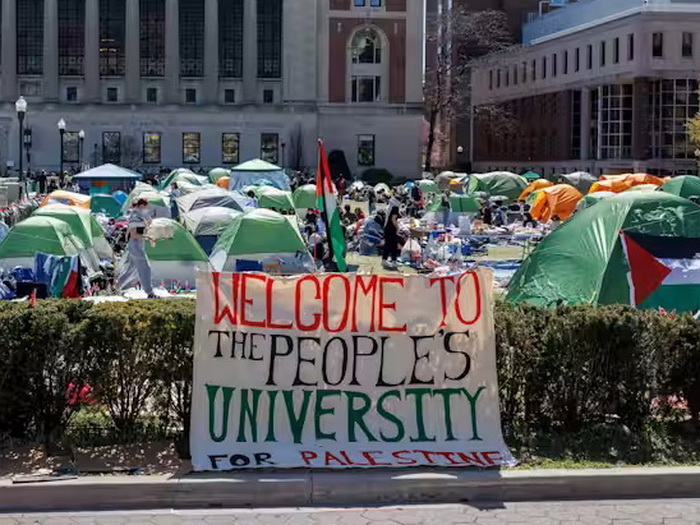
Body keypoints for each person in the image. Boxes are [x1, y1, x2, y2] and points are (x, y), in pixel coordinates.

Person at [118, 198, 156, 298]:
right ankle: (149, 292)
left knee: (130, 269)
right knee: (145, 268)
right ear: (141, 206)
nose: (147, 209)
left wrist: (148, 221)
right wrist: (149, 237)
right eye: (146, 207)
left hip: (137, 244)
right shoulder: (135, 217)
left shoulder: (139, 217)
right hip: (136, 245)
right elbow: (134, 234)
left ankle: (116, 287)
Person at [382, 197, 401, 269]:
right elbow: (393, 219)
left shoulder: (390, 206)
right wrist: (397, 227)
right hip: (391, 228)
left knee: (390, 244)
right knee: (392, 245)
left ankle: (392, 260)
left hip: (387, 227)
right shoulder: (395, 208)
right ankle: (391, 260)